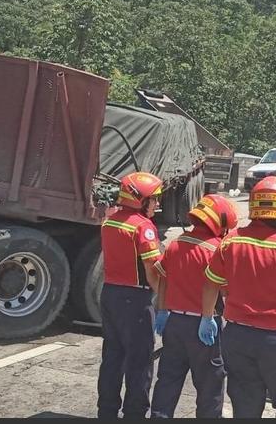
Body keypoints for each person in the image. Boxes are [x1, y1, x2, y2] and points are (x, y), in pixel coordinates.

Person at [200, 176, 276, 419]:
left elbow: (209, 284)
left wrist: (207, 317)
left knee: (245, 406)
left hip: (237, 338)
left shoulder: (231, 241)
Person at [150, 194, 239, 419]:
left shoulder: (176, 243)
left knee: (168, 380)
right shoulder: (217, 250)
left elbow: (163, 280)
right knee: (210, 385)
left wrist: (161, 311)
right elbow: (226, 290)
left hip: (174, 323)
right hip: (204, 326)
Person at [97, 172, 165, 419]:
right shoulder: (143, 227)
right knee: (139, 360)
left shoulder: (110, 221)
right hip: (135, 300)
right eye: (154, 199)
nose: (157, 204)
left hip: (110, 294)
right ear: (140, 199)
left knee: (113, 356)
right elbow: (151, 270)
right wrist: (164, 304)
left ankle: (106, 411)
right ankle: (135, 413)